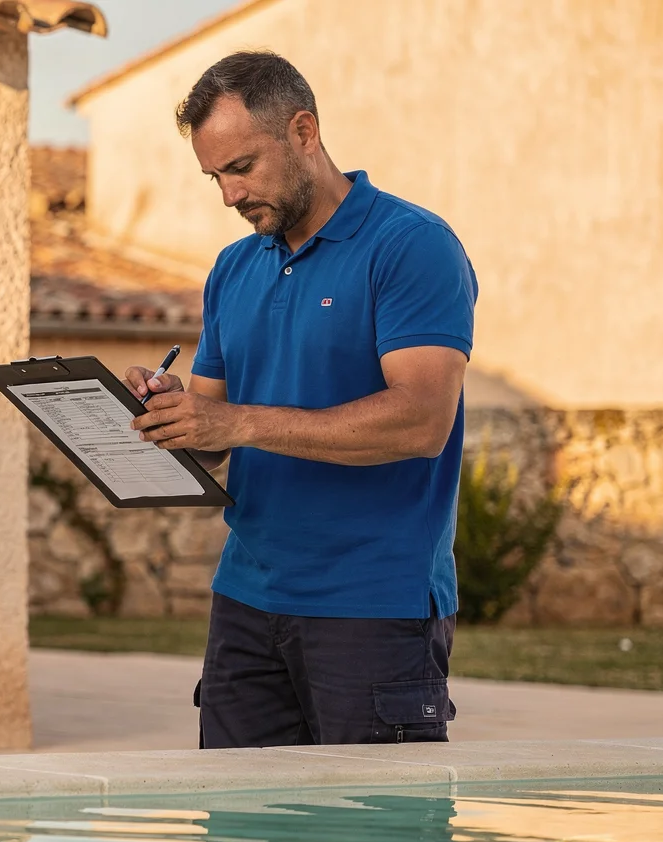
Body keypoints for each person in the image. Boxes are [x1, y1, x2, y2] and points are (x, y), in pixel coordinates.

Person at [123, 51, 477, 749]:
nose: (228, 195)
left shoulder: (412, 247)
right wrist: (163, 410)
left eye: (242, 167)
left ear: (304, 132)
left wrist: (237, 420)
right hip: (247, 604)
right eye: (214, 176)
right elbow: (213, 440)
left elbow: (421, 421)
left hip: (374, 608)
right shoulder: (232, 268)